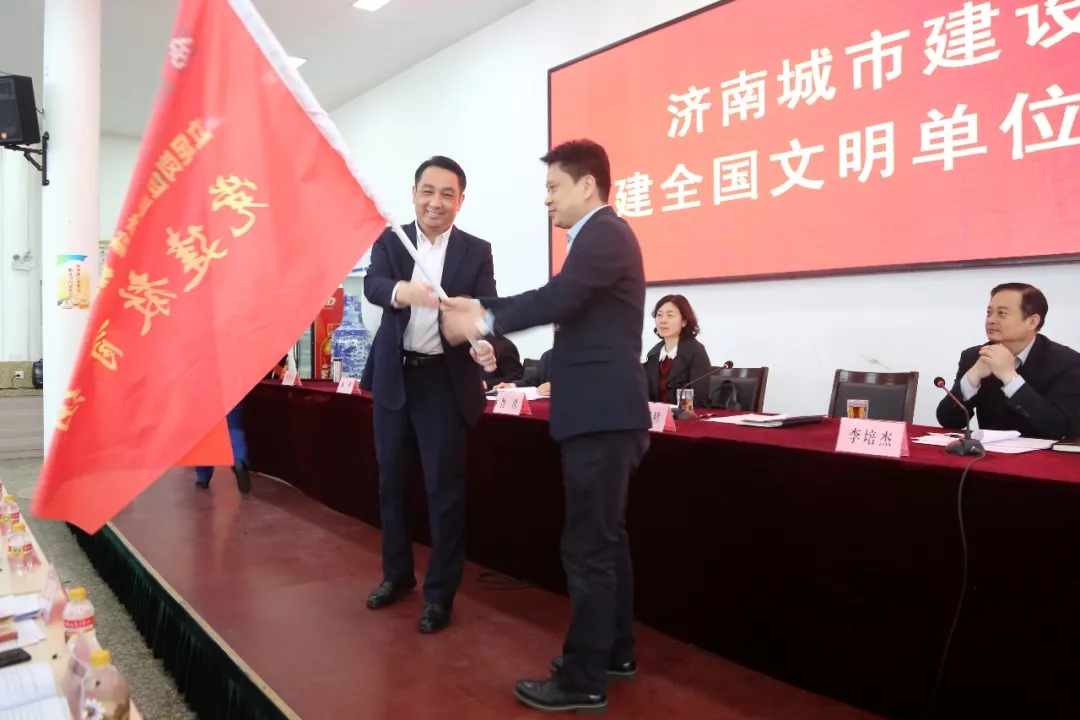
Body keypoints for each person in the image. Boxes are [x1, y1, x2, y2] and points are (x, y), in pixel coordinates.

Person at [441, 140, 650, 714]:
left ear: (587, 185)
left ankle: (584, 681)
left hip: (602, 417)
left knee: (588, 549)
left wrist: (483, 315)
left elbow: (559, 297)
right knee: (606, 542)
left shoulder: (605, 233)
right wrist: (481, 308)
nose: (547, 200)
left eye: (554, 187)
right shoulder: (597, 239)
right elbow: (561, 302)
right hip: (603, 414)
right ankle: (614, 654)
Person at [359, 156, 497, 634]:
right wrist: (403, 291)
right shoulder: (391, 240)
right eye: (428, 191)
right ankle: (397, 576)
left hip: (443, 382)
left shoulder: (476, 251)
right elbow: (374, 285)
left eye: (447, 194)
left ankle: (440, 595)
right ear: (414, 194)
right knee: (391, 485)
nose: (436, 202)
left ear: (461, 200)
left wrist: (485, 341)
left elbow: (486, 308)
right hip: (396, 379)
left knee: (444, 492)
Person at [936, 282, 1080, 440]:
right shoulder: (975, 356)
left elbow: (1060, 428)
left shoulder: (1067, 363)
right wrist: (971, 378)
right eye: (989, 312)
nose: (991, 320)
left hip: (1043, 454)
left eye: (1002, 313)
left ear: (1032, 321)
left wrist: (1010, 378)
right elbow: (949, 421)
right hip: (987, 453)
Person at [642, 294, 712, 406]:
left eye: (670, 315)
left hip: (685, 415)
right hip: (657, 416)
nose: (663, 320)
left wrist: (679, 411)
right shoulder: (653, 355)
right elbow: (646, 396)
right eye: (659, 315)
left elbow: (699, 398)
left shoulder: (696, 352)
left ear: (684, 321)